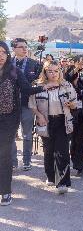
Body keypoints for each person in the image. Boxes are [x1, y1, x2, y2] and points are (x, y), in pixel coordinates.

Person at [0, 41, 46, 206]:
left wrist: (44, 88)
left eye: (3, 52)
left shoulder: (14, 71)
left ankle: (5, 192)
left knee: (4, 155)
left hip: (8, 119)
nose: (0, 56)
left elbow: (26, 90)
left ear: (8, 54)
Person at [28, 61, 78, 194]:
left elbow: (75, 103)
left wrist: (71, 104)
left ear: (60, 71)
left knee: (62, 151)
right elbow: (32, 104)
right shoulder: (37, 86)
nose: (54, 74)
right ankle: (50, 175)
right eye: (50, 71)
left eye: (56, 71)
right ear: (45, 72)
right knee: (49, 151)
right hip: (45, 122)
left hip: (62, 121)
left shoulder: (66, 85)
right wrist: (39, 115)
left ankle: (63, 182)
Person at [11, 38, 42, 171]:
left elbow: (39, 81)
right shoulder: (6, 64)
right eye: (21, 47)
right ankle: (13, 161)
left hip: (27, 104)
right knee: (11, 134)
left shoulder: (34, 64)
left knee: (27, 134)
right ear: (14, 49)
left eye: (26, 46)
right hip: (10, 105)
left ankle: (27, 161)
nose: (25, 49)